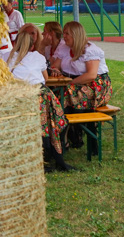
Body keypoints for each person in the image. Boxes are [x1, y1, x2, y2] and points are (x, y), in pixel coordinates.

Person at [6, 28, 73, 173]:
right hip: (40, 96)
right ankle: (54, 151)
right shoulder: (38, 57)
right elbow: (46, 79)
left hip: (17, 97)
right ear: (32, 46)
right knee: (55, 120)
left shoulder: (7, 56)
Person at [50, 21, 112, 151]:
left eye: (67, 33)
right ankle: (68, 136)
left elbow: (91, 75)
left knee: (64, 96)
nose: (64, 36)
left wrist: (70, 83)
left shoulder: (91, 50)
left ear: (76, 35)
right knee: (57, 94)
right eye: (64, 33)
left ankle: (63, 138)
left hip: (96, 87)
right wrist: (56, 71)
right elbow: (56, 65)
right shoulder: (64, 48)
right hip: (74, 85)